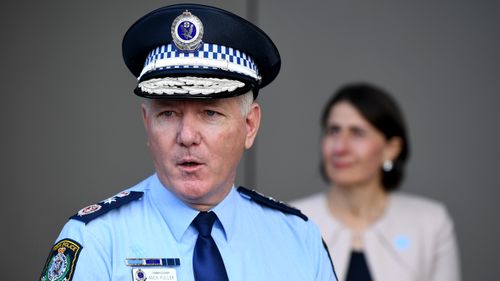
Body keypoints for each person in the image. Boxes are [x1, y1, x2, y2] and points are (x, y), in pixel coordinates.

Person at [39, 4, 337, 281]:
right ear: (147, 123)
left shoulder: (298, 240)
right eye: (168, 113)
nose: (187, 136)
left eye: (210, 113)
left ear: (249, 125)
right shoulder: (96, 240)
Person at [291, 83, 460, 281]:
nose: (340, 147)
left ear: (391, 149)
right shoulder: (292, 222)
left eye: (357, 133)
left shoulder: (431, 223)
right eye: (333, 130)